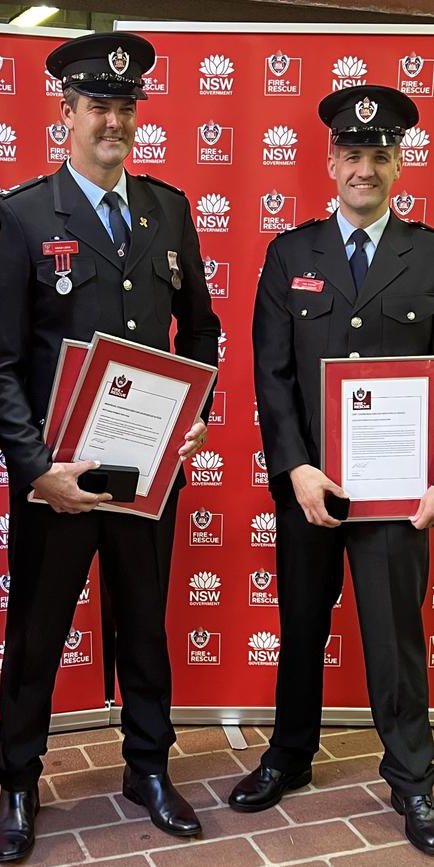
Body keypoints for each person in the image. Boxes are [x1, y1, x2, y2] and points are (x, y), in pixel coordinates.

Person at [0, 31, 220, 863]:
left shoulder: (169, 209)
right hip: (62, 477)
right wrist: (37, 470)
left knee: (144, 625)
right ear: (67, 112)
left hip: (149, 469)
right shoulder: (22, 216)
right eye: (98, 107)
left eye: (125, 108)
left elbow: (204, 331)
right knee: (37, 633)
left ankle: (147, 767)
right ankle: (17, 777)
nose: (112, 121)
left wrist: (198, 411)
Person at [228, 84, 434, 857]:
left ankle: (414, 775)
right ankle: (289, 753)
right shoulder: (291, 254)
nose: (366, 169)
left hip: (395, 494)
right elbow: (271, 375)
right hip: (311, 487)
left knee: (395, 637)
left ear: (400, 165)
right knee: (301, 627)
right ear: (331, 161)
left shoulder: (431, 254)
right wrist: (296, 469)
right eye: (353, 154)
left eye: (380, 156)